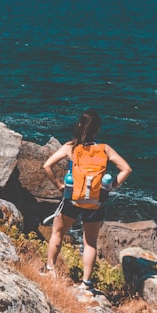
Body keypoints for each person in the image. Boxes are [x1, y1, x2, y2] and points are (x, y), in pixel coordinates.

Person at [41, 110, 132, 291]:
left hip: (72, 199)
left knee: (57, 234)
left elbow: (47, 166)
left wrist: (59, 185)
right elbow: (126, 169)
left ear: (80, 126)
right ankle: (86, 283)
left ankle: (50, 270)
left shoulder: (71, 148)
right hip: (96, 202)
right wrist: (112, 186)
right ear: (97, 130)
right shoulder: (104, 149)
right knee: (90, 243)